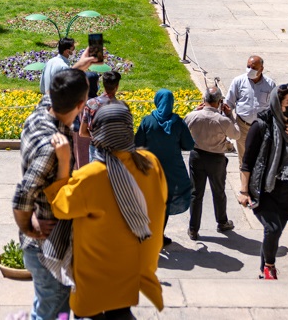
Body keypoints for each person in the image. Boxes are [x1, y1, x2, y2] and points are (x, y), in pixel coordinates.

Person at [46, 102, 166, 319]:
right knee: (120, 312)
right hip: (132, 265)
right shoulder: (150, 163)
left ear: (97, 132)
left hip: (96, 272)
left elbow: (60, 207)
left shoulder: (93, 176)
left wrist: (64, 161)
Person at [12, 69, 90, 320]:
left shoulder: (40, 114)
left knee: (44, 303)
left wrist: (79, 67)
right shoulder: (52, 149)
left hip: (44, 249)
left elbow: (50, 95)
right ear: (81, 104)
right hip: (47, 248)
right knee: (53, 310)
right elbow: (23, 195)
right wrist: (29, 226)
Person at [237, 83, 288, 280]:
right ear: (277, 104)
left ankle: (263, 270)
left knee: (273, 234)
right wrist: (244, 191)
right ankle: (270, 267)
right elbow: (247, 162)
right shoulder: (261, 125)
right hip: (264, 189)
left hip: (287, 190)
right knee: (272, 228)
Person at [135, 89, 194, 245]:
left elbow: (137, 144)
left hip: (149, 169)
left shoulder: (147, 121)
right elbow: (189, 145)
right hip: (172, 171)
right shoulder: (178, 122)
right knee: (165, 203)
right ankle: (159, 235)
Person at [184, 86, 239, 239]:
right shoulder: (223, 120)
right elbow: (236, 135)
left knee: (196, 193)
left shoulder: (192, 116)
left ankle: (193, 228)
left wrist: (195, 110)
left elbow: (183, 127)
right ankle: (222, 222)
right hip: (216, 158)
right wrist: (230, 116)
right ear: (219, 102)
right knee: (219, 191)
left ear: (204, 100)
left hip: (197, 156)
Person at [225, 55, 278, 162]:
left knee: (260, 160)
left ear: (261, 69)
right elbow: (229, 103)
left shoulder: (270, 84)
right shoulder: (238, 81)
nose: (250, 70)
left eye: (254, 68)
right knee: (244, 160)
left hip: (261, 128)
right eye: (248, 66)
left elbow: (274, 107)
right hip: (243, 126)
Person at [79, 71, 122, 163]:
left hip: (95, 149)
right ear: (117, 86)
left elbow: (82, 132)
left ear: (103, 84)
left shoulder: (91, 104)